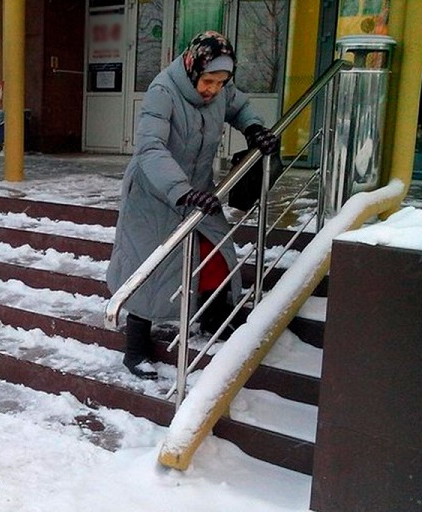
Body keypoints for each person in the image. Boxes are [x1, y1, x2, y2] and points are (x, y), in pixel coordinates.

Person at [105, 31, 279, 379]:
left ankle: (215, 316)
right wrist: (180, 190)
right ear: (192, 66)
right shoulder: (163, 92)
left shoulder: (221, 92)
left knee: (213, 250)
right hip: (154, 193)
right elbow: (150, 148)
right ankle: (135, 349)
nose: (213, 89)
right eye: (208, 80)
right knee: (150, 266)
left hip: (197, 189)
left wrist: (254, 127)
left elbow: (240, 106)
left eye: (221, 81)